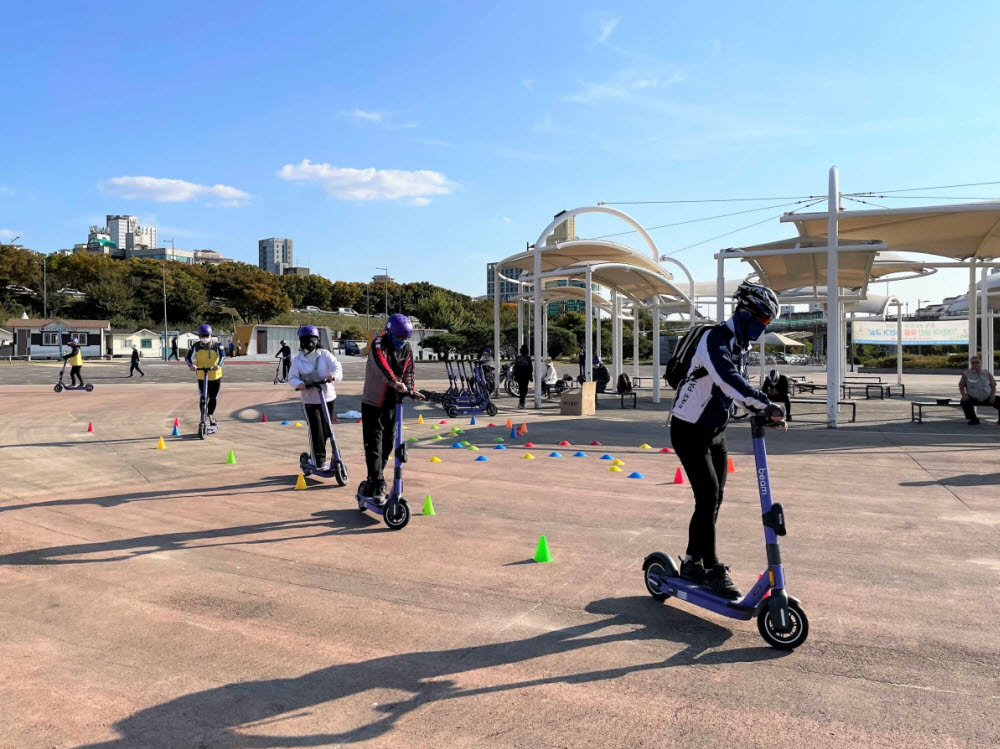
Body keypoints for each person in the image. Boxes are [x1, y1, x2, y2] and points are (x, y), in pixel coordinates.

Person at [670, 281, 783, 601]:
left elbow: (735, 391)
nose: (763, 329)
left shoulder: (738, 345)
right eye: (761, 322)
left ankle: (692, 562)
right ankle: (712, 569)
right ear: (746, 314)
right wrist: (763, 403)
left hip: (714, 431)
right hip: (688, 430)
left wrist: (761, 411)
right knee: (708, 497)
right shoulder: (715, 339)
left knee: (713, 500)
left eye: (768, 324)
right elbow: (728, 380)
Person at [359, 314, 424, 503]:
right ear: (390, 332)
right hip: (373, 402)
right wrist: (396, 383)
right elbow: (382, 365)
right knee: (374, 444)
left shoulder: (407, 348)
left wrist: (411, 390)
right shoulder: (378, 343)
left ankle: (374, 481)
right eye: (399, 338)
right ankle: (378, 481)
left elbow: (409, 370)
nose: (402, 342)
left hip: (393, 403)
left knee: (388, 444)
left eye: (405, 339)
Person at [288, 326, 343, 470]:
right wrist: (300, 384)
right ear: (301, 342)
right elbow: (292, 377)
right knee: (316, 429)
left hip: (327, 398)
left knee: (327, 429)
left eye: (312, 340)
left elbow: (337, 366)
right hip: (310, 400)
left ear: (317, 340)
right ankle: (318, 459)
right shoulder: (298, 360)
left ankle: (319, 455)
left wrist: (334, 376)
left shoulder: (324, 355)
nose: (309, 343)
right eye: (306, 341)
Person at [186, 324, 226, 426]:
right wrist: (191, 365)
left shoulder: (217, 345)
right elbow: (188, 357)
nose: (204, 338)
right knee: (203, 396)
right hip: (201, 375)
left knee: (213, 397)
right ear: (199, 336)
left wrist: (218, 365)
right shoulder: (196, 346)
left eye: (206, 336)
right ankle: (203, 416)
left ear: (210, 335)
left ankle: (211, 415)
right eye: (202, 336)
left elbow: (223, 356)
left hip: (215, 375)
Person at [958, 355, 999, 425]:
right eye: (973, 363)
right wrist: (964, 395)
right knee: (964, 402)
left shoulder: (987, 373)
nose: (975, 364)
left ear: (981, 363)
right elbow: (961, 385)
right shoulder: (966, 374)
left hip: (987, 397)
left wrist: (992, 396)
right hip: (973, 397)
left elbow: (993, 386)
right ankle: (973, 419)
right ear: (971, 363)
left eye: (977, 362)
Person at [513, 344, 533, 408]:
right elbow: (530, 367)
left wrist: (514, 374)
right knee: (525, 388)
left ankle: (521, 402)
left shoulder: (518, 358)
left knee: (521, 388)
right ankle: (522, 401)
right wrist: (530, 376)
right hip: (526, 374)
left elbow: (515, 366)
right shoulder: (528, 358)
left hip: (519, 374)